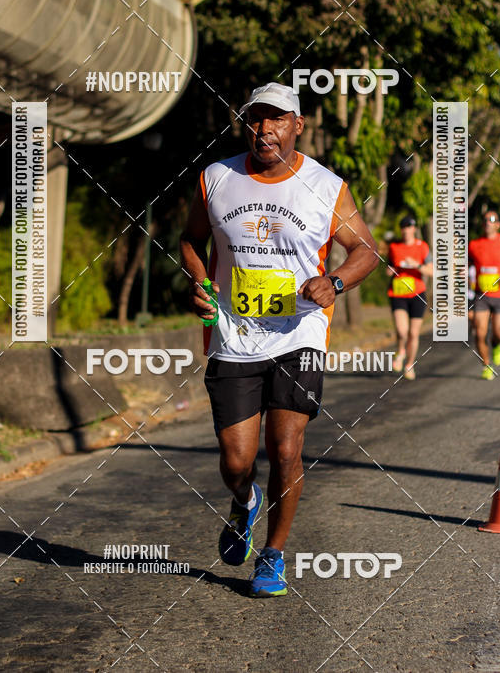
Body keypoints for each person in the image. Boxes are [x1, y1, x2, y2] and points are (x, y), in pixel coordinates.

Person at [180, 82, 379, 598]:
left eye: (275, 119)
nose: (263, 129)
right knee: (236, 461)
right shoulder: (215, 177)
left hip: (300, 332)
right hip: (234, 335)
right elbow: (190, 239)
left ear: (298, 124)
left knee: (286, 448)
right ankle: (243, 502)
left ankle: (272, 555)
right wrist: (200, 282)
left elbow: (365, 250)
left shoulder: (326, 186)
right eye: (255, 119)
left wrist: (334, 282)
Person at [468, 210, 500, 380]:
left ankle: (496, 344)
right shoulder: (474, 244)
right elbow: (466, 264)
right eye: (486, 220)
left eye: (492, 219)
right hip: (481, 296)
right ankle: (486, 365)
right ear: (483, 224)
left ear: (498, 224)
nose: (488, 222)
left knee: (499, 333)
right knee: (479, 333)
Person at [386, 216, 433, 380]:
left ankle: (409, 364)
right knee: (401, 330)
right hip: (398, 293)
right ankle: (401, 351)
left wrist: (416, 265)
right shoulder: (394, 247)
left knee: (413, 333)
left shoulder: (422, 247)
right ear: (401, 230)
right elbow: (388, 267)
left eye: (409, 227)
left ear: (414, 229)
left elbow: (432, 271)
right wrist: (391, 270)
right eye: (404, 227)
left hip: (417, 294)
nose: (406, 230)